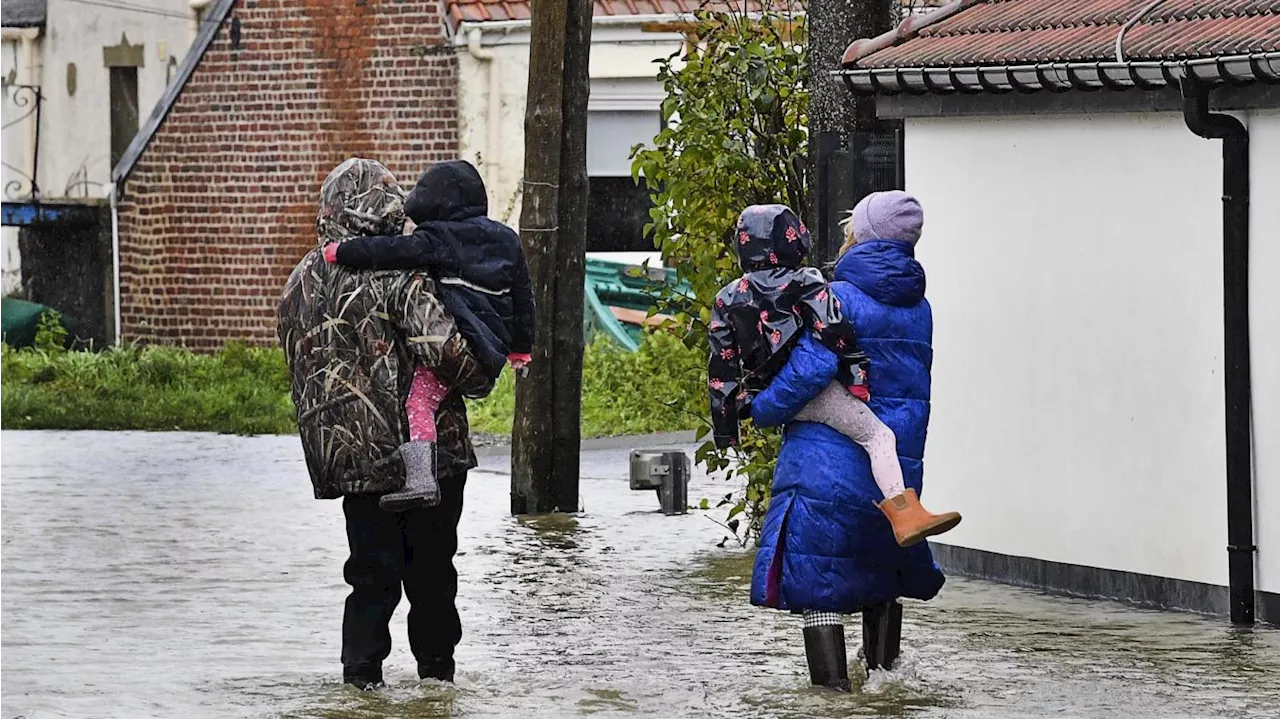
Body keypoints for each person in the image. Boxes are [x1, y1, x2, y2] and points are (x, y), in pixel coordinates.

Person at [276, 158, 494, 689]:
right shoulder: (398, 272)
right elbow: (454, 357)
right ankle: (438, 684)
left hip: (347, 461)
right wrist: (489, 363)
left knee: (370, 576)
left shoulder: (299, 282)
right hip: (424, 456)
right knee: (432, 576)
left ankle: (360, 681)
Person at [747, 190, 947, 691]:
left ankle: (833, 698)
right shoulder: (919, 307)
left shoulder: (834, 297)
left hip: (826, 464)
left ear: (862, 235)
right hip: (894, 473)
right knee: (882, 576)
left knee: (820, 591)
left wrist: (763, 408)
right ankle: (887, 686)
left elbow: (813, 368)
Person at [707, 203, 959, 547]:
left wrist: (729, 429)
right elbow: (833, 331)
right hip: (819, 396)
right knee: (879, 438)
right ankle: (905, 514)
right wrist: (856, 375)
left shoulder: (727, 297)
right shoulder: (808, 281)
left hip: (767, 393)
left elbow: (721, 369)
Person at [320, 160, 534, 511]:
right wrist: (521, 349)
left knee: (419, 401)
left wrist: (341, 251)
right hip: (491, 345)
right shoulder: (507, 239)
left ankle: (420, 479)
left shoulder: (439, 238)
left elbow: (391, 253)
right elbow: (524, 296)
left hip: (460, 337)